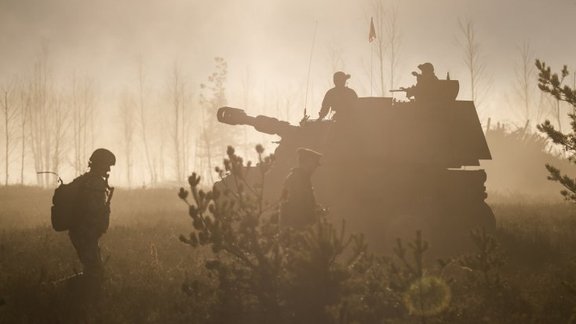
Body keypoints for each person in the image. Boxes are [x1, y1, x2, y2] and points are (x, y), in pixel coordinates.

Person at [69, 148, 115, 282]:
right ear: (99, 164)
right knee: (95, 272)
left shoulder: (85, 181)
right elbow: (94, 211)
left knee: (93, 270)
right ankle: (55, 288)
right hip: (85, 233)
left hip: (84, 233)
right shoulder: (94, 184)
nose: (108, 170)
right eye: (107, 166)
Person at [279, 148, 323, 229]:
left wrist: (316, 209)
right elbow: (299, 205)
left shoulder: (296, 177)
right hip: (297, 227)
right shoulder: (300, 179)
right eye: (315, 164)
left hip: (294, 227)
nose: (315, 168)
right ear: (308, 162)